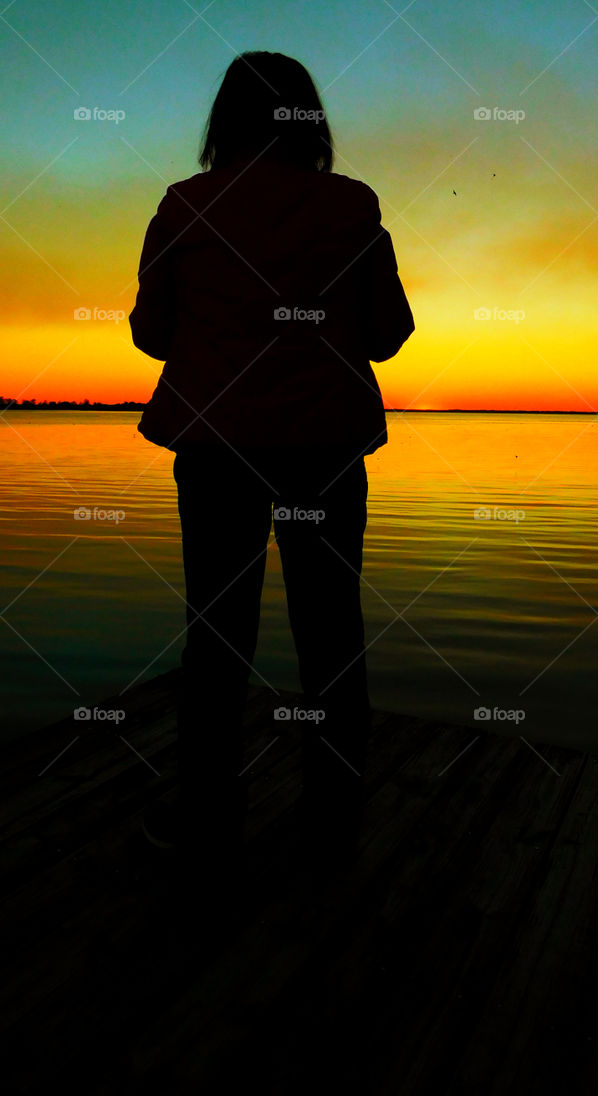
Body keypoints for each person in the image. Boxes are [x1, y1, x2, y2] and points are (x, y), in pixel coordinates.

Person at [129, 51, 414, 871]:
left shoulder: (185, 207)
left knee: (216, 639)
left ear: (224, 121)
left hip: (217, 449)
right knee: (332, 636)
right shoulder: (352, 208)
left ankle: (208, 818)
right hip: (324, 449)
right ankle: (332, 826)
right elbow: (386, 336)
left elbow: (153, 335)